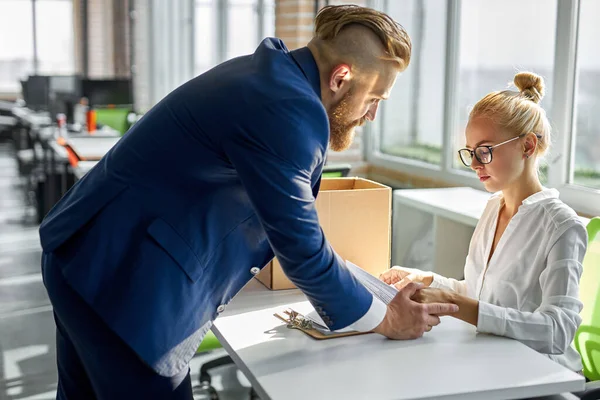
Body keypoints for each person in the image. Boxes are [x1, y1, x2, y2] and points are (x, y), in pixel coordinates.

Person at [39, 5, 458, 399]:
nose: (371, 115)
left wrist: (364, 287)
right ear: (341, 77)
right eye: (374, 99)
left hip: (87, 255)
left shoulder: (271, 75)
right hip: (123, 285)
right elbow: (300, 248)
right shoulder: (290, 110)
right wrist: (388, 319)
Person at [380, 71, 588, 372]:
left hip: (539, 373)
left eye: (485, 151)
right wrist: (426, 279)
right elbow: (484, 296)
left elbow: (557, 331)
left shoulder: (562, 226)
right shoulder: (494, 208)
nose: (475, 164)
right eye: (471, 152)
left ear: (528, 146)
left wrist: (454, 301)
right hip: (490, 359)